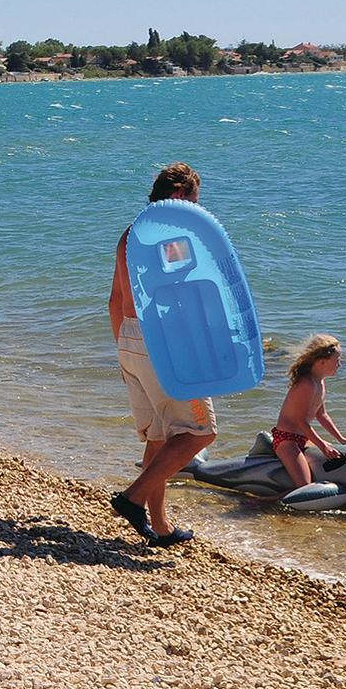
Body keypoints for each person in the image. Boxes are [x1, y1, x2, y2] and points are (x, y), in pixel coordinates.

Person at [108, 162, 216, 546]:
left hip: (130, 337)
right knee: (200, 432)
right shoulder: (171, 237)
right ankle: (132, 499)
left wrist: (126, 352)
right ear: (178, 196)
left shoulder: (129, 233)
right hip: (163, 340)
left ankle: (161, 526)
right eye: (194, 202)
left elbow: (115, 299)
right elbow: (179, 294)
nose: (195, 210)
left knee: (158, 436)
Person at [271, 335, 346, 495]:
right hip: (287, 440)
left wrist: (342, 439)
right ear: (321, 362)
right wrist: (323, 446)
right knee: (305, 486)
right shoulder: (307, 384)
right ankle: (263, 503)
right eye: (337, 360)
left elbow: (322, 414)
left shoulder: (319, 382)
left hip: (302, 438)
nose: (339, 364)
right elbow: (300, 421)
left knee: (336, 457)